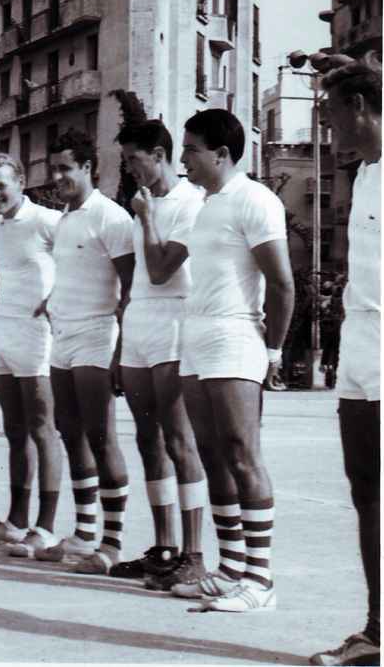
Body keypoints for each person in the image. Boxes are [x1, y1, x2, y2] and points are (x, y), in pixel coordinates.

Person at [174, 108, 294, 612]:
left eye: (192, 150)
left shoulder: (256, 200)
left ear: (222, 154)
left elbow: (284, 285)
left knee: (243, 454)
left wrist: (273, 352)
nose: (185, 160)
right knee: (211, 455)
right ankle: (230, 568)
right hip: (197, 337)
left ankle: (260, 582)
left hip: (235, 337)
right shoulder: (205, 205)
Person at [109, 119, 209, 589]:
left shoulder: (190, 202)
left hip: (174, 319)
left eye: (135, 158)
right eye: (126, 160)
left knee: (178, 439)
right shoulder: (138, 208)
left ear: (159, 153)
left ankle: (194, 553)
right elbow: (135, 281)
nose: (129, 168)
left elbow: (163, 269)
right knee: (148, 439)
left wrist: (147, 219)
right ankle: (164, 546)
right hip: (139, 323)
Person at [309, 52, 380, 665]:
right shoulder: (364, 177)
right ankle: (377, 630)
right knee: (366, 492)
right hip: (359, 355)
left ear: (360, 108)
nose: (328, 131)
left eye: (332, 117)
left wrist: (366, 69)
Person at [36, 130, 134, 574]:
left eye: (66, 169)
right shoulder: (64, 220)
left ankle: (111, 544)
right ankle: (84, 533)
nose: (58, 177)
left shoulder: (111, 217)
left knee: (101, 435)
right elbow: (73, 272)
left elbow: (130, 287)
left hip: (97, 334)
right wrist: (51, 302)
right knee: (69, 431)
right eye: (53, 169)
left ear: (88, 169)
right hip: (63, 335)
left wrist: (121, 350)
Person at [0, 152, 65, 559]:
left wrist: (56, 301)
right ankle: (16, 521)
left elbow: (82, 262)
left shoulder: (48, 220)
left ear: (21, 182)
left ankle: (45, 527)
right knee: (13, 431)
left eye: (1, 186)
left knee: (42, 428)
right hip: (5, 331)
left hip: (39, 335)